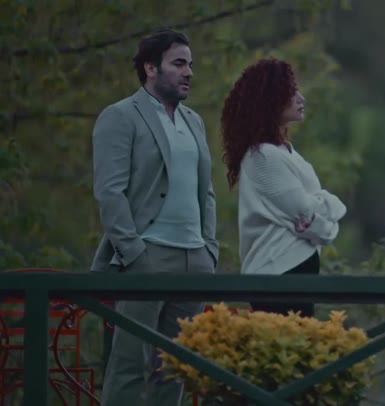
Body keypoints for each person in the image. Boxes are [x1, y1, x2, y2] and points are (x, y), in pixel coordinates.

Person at [90, 29, 218, 406]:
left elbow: (206, 191)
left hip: (195, 259)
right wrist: (135, 254)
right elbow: (110, 193)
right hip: (147, 255)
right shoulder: (120, 116)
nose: (189, 72)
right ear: (150, 68)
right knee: (129, 365)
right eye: (178, 63)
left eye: (190, 64)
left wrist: (209, 248)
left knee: (176, 370)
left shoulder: (194, 121)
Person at [220, 57, 346, 318]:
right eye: (291, 92)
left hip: (295, 275)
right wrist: (328, 214)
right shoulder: (263, 156)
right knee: (285, 344)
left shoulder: (285, 153)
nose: (301, 98)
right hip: (276, 274)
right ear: (270, 100)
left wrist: (326, 215)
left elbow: (318, 222)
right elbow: (306, 211)